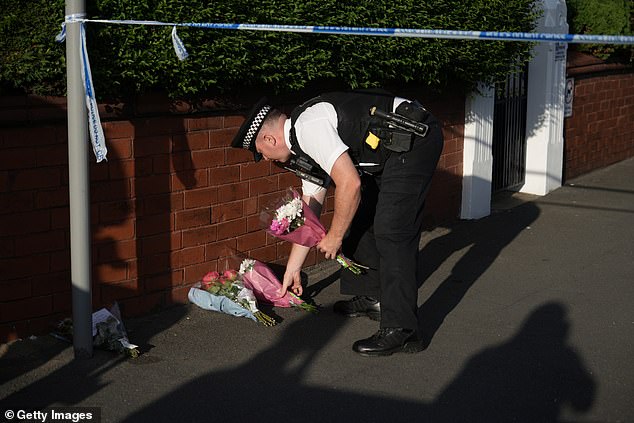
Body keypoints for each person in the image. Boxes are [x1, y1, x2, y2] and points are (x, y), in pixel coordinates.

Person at [231, 89, 444, 356]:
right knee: (361, 216)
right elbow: (310, 209)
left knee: (393, 232)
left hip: (413, 139)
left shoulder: (309, 128)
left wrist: (335, 236)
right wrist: (293, 269)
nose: (264, 159)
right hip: (387, 152)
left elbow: (350, 183)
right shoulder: (301, 145)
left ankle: (403, 331)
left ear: (269, 139)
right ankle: (375, 297)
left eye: (260, 152)